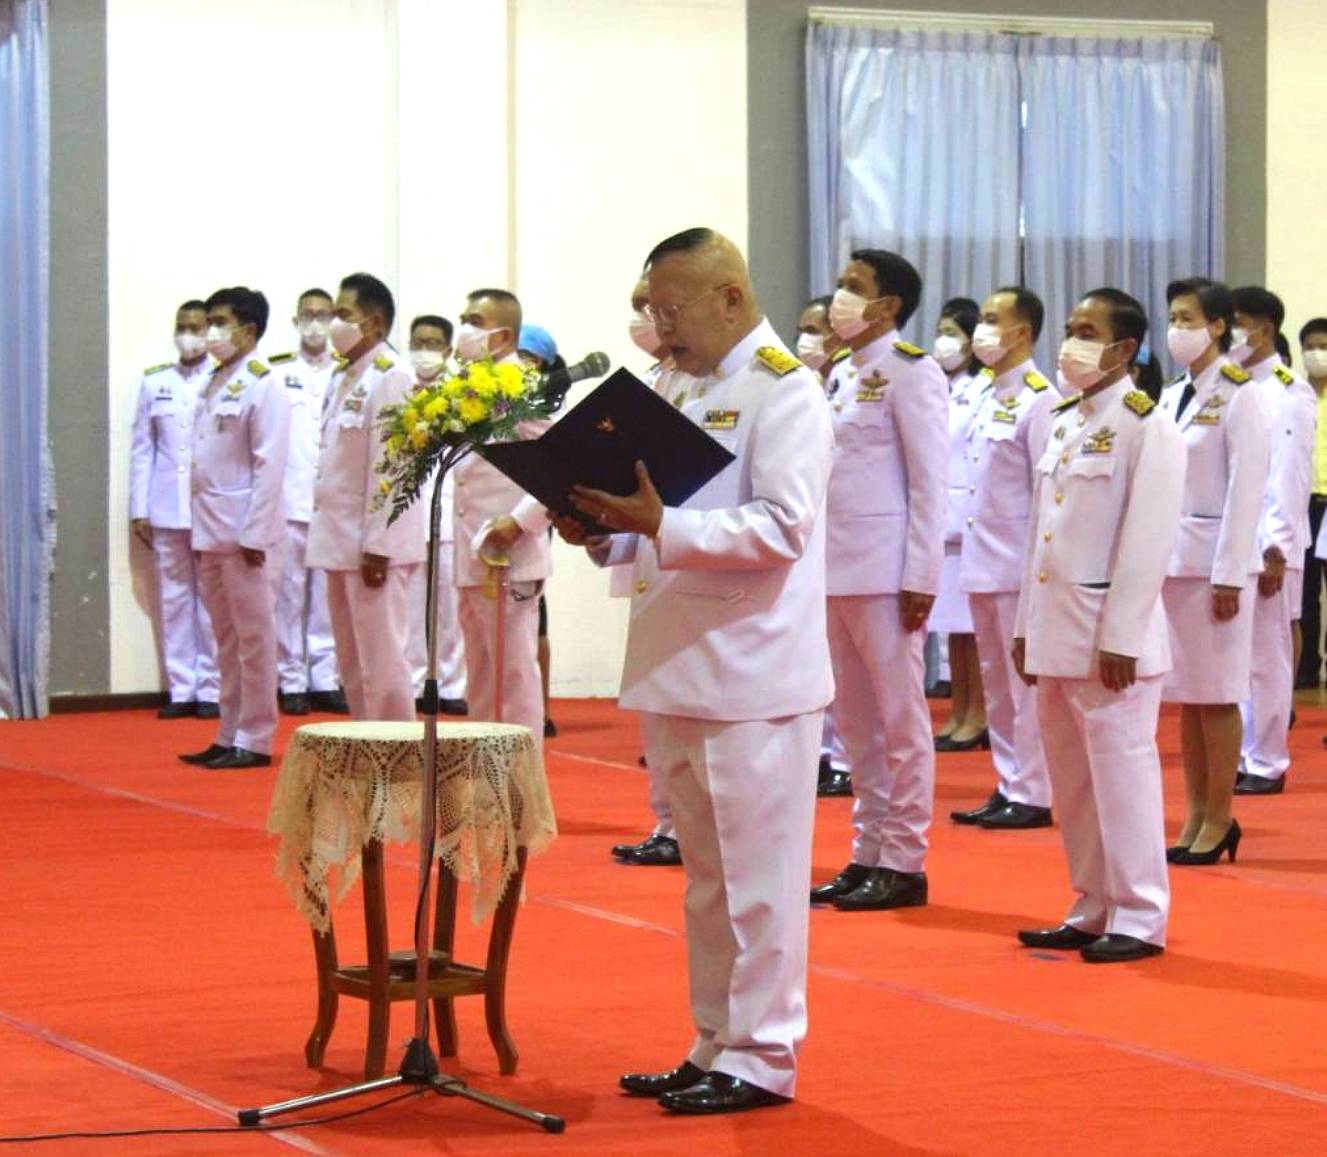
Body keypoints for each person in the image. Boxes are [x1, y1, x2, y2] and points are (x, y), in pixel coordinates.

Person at [554, 227, 833, 1114]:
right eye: (651, 310)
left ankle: (763, 1053)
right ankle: (713, 1039)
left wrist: (658, 524)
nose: (659, 329)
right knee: (708, 880)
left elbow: (783, 527)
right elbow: (658, 521)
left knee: (758, 883)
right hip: (679, 660)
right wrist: (602, 527)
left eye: (670, 311)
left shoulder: (785, 391)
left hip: (752, 674)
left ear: (729, 297)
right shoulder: (677, 385)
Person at [1013, 287, 1185, 963]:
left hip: (1110, 638)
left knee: (1122, 778)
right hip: (1056, 629)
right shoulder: (1064, 419)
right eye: (1071, 328)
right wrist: (1026, 625)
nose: (1072, 343)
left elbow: (1147, 540)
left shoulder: (1147, 424)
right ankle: (1091, 901)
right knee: (1073, 781)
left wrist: (1121, 637)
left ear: (1123, 348)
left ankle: (1139, 913)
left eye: (1088, 332)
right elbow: (1041, 535)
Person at [809, 248, 948, 913]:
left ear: (887, 305)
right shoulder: (841, 373)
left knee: (900, 722)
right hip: (835, 569)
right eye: (840, 283)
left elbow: (929, 482)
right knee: (854, 725)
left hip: (887, 574)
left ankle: (904, 859)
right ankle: (866, 851)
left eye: (853, 286)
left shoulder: (912, 372)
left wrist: (921, 574)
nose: (839, 295)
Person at [1157, 277, 1269, 865]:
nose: (1177, 328)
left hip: (1216, 567)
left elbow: (1247, 490)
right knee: (1189, 697)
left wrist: (1230, 574)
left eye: (1188, 318)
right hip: (1175, 564)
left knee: (1218, 695)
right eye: (1173, 317)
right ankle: (1195, 811)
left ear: (1219, 326)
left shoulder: (1241, 394)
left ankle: (1220, 816)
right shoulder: (1173, 393)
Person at [950, 287, 1056, 828]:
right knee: (996, 683)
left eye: (994, 319)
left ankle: (1034, 790)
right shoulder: (983, 393)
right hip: (982, 560)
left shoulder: (1041, 399)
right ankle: (1009, 780)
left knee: (1023, 686)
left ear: (1023, 332)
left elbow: (1046, 493)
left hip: (1017, 565)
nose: (982, 330)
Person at [610, 278, 706, 867]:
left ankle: (686, 826)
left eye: (652, 306)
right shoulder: (652, 383)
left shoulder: (718, 382)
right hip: (652, 558)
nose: (646, 318)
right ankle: (667, 822)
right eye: (638, 308)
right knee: (657, 712)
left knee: (687, 712)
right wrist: (601, 530)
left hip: (697, 562)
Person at [306, 273, 425, 722]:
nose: (334, 323)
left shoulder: (392, 377)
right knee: (352, 663)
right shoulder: (345, 375)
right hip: (340, 541)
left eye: (343, 313)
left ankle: (396, 752)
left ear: (374, 323)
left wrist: (379, 545)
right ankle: (365, 744)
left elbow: (392, 468)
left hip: (373, 548)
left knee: (383, 662)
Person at [178, 287, 289, 770]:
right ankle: (228, 731)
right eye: (209, 322)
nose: (211, 332)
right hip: (211, 529)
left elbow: (270, 464)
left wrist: (255, 533)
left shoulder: (265, 383)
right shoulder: (216, 380)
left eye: (220, 322)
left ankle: (256, 737)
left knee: (255, 640)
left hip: (247, 536)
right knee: (225, 639)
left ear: (249, 329)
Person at [451, 289, 552, 748]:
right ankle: (481, 771)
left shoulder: (524, 387)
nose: (465, 329)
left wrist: (521, 521)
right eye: (464, 318)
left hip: (510, 553)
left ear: (505, 335)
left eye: (475, 321)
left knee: (513, 678)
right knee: (481, 677)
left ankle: (518, 778)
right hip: (472, 551)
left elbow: (562, 463)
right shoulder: (469, 383)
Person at [1232, 288, 1315, 795]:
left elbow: (1289, 476)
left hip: (1269, 544)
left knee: (1266, 658)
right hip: (1235, 542)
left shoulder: (1289, 393)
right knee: (1237, 660)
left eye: (1236, 323)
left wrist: (1276, 549)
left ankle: (1266, 760)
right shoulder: (1235, 387)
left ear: (1262, 329)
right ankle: (1243, 751)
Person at [129, 299, 220, 720]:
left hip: (209, 507)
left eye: (196, 327)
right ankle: (182, 688)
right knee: (175, 600)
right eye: (182, 326)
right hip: (166, 507)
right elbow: (142, 449)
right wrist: (139, 508)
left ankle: (212, 689)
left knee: (212, 602)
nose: (188, 335)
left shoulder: (222, 380)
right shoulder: (156, 382)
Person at [267, 288, 345, 716]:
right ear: (296, 321)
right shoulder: (277, 372)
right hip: (290, 500)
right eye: (308, 315)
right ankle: (291, 678)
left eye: (323, 315)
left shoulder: (346, 372)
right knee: (289, 596)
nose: (315, 323)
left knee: (326, 601)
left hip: (331, 503)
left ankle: (324, 677)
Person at [796, 293, 852, 797]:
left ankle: (843, 759)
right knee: (815, 655)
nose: (806, 339)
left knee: (848, 672)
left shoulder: (859, 384)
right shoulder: (803, 388)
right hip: (809, 544)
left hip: (853, 546)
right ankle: (819, 753)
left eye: (815, 330)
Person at [931, 296, 990, 754]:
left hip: (970, 520)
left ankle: (979, 715)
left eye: (951, 333)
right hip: (944, 521)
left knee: (973, 631)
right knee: (953, 627)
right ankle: (960, 711)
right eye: (940, 332)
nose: (943, 341)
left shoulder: (981, 388)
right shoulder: (940, 385)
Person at [403, 314, 468, 716]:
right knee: (411, 610)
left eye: (432, 343)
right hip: (409, 515)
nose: (424, 351)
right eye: (417, 343)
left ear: (447, 349)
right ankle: (414, 682)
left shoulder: (463, 393)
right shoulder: (398, 388)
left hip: (448, 515)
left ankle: (453, 684)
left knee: (449, 607)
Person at [518, 323, 562, 739]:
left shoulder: (541, 405)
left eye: (529, 358)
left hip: (528, 520)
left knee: (536, 617)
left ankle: (542, 709)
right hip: (490, 523)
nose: (521, 364)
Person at [1297, 317, 1327, 688]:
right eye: (1311, 347)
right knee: (1303, 592)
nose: (1317, 354)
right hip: (1302, 504)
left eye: (1324, 347)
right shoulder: (1295, 395)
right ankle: (1305, 669)